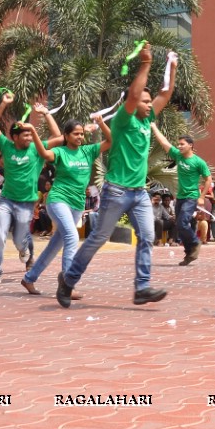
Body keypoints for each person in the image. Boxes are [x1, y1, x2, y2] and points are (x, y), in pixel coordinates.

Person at [56, 43, 176, 308]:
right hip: (117, 190)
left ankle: (141, 288)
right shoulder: (124, 119)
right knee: (98, 238)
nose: (148, 104)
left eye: (149, 102)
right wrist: (145, 63)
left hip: (139, 193)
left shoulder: (147, 120)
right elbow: (134, 96)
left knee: (147, 236)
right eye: (145, 101)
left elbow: (165, 94)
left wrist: (172, 67)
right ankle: (68, 279)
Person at [0, 94, 59, 286]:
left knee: (21, 238)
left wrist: (45, 113)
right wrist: (3, 103)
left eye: (30, 133)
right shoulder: (6, 145)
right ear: (14, 137)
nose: (29, 137)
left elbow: (57, 136)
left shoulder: (37, 148)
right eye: (25, 134)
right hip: (5, 200)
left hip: (26, 203)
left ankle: (25, 252)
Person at [20, 116, 111, 295]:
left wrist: (101, 123)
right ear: (66, 136)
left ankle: (29, 278)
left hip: (77, 204)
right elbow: (45, 154)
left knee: (54, 246)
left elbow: (110, 140)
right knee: (72, 237)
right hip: (58, 200)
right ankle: (68, 284)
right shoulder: (60, 152)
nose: (79, 137)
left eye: (82, 134)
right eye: (75, 134)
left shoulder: (88, 151)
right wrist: (32, 131)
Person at [150, 123, 212, 265]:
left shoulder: (198, 162)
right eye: (178, 144)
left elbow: (208, 179)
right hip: (180, 197)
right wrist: (154, 127)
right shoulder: (178, 156)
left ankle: (195, 243)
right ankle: (189, 253)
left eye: (182, 144)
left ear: (190, 145)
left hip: (191, 197)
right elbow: (164, 142)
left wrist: (202, 197)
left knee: (183, 222)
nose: (179, 146)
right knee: (178, 224)